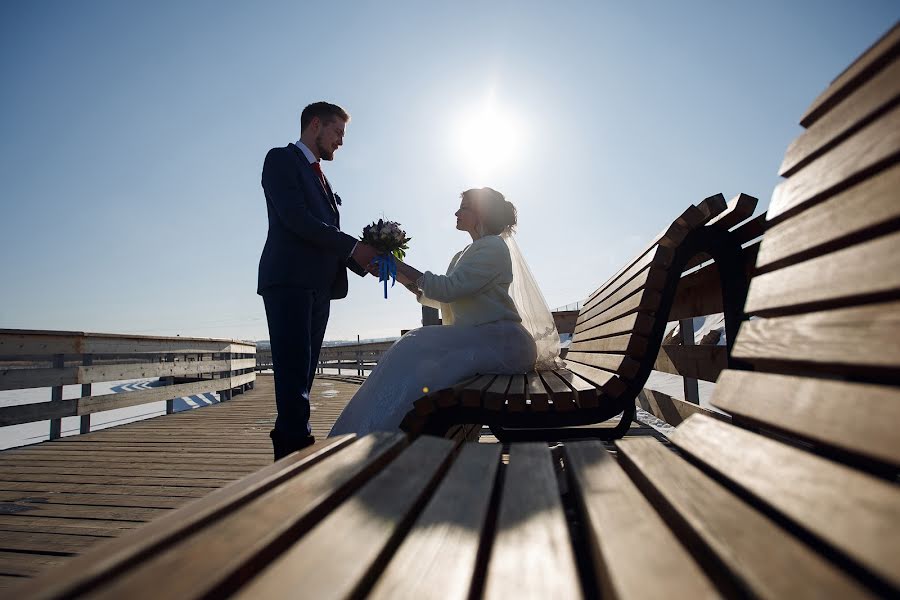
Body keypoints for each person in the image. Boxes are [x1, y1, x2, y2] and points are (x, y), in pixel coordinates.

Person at [329, 187, 561, 436]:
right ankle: (392, 433)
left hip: (503, 341)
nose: (456, 212)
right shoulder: (465, 254)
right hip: (485, 339)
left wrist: (397, 262)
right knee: (413, 348)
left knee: (413, 345)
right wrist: (398, 274)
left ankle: (388, 436)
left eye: (463, 207)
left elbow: (448, 289)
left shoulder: (493, 247)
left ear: (480, 213)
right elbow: (443, 298)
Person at [258, 101, 377, 460]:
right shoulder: (280, 160)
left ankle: (289, 460)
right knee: (294, 382)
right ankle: (296, 462)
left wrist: (367, 257)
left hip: (319, 287)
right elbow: (297, 219)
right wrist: (353, 247)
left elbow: (327, 234)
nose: (341, 141)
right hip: (290, 282)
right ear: (315, 125)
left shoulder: (320, 175)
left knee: (303, 382)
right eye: (337, 132)